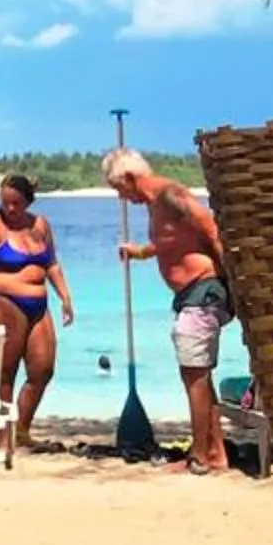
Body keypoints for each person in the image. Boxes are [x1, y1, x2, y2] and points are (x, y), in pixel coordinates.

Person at [103, 146, 234, 475]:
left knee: (193, 374)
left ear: (130, 178)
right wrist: (140, 252)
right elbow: (173, 241)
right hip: (192, 294)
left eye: (120, 190)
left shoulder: (170, 196)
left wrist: (235, 286)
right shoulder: (154, 205)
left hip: (204, 291)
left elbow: (211, 231)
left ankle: (200, 457)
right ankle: (215, 452)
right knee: (198, 374)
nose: (123, 198)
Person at [0, 172, 73, 444]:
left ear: (28, 201)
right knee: (7, 371)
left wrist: (65, 296)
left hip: (39, 305)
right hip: (5, 303)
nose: (10, 209)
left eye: (16, 203)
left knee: (43, 370)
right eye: (5, 203)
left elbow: (51, 262)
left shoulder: (40, 225)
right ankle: (4, 435)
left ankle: (22, 430)